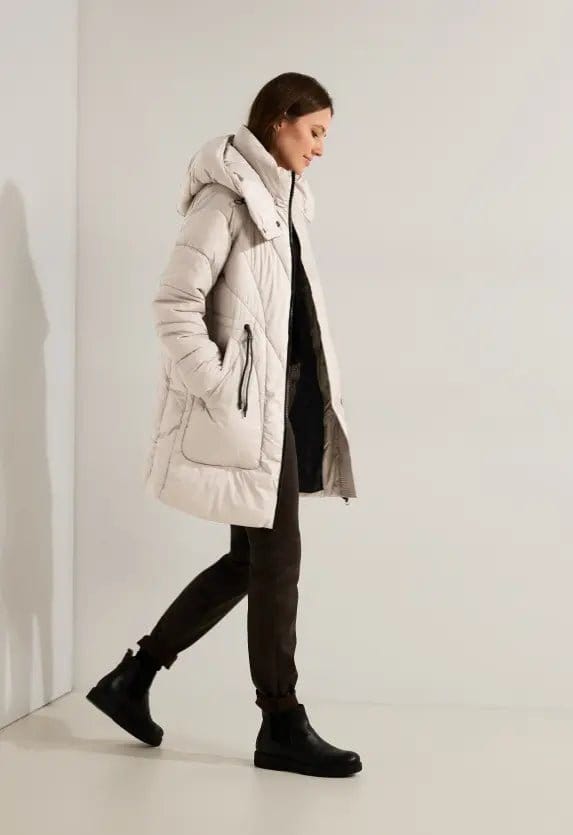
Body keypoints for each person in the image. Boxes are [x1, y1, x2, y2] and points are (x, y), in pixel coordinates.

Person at [86, 72, 361, 778]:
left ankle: (133, 678)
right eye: (315, 131)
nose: (321, 148)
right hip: (247, 411)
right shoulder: (225, 200)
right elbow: (174, 304)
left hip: (277, 408)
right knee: (278, 562)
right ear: (279, 120)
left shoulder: (285, 202)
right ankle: (280, 720)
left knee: (251, 561)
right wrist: (220, 390)